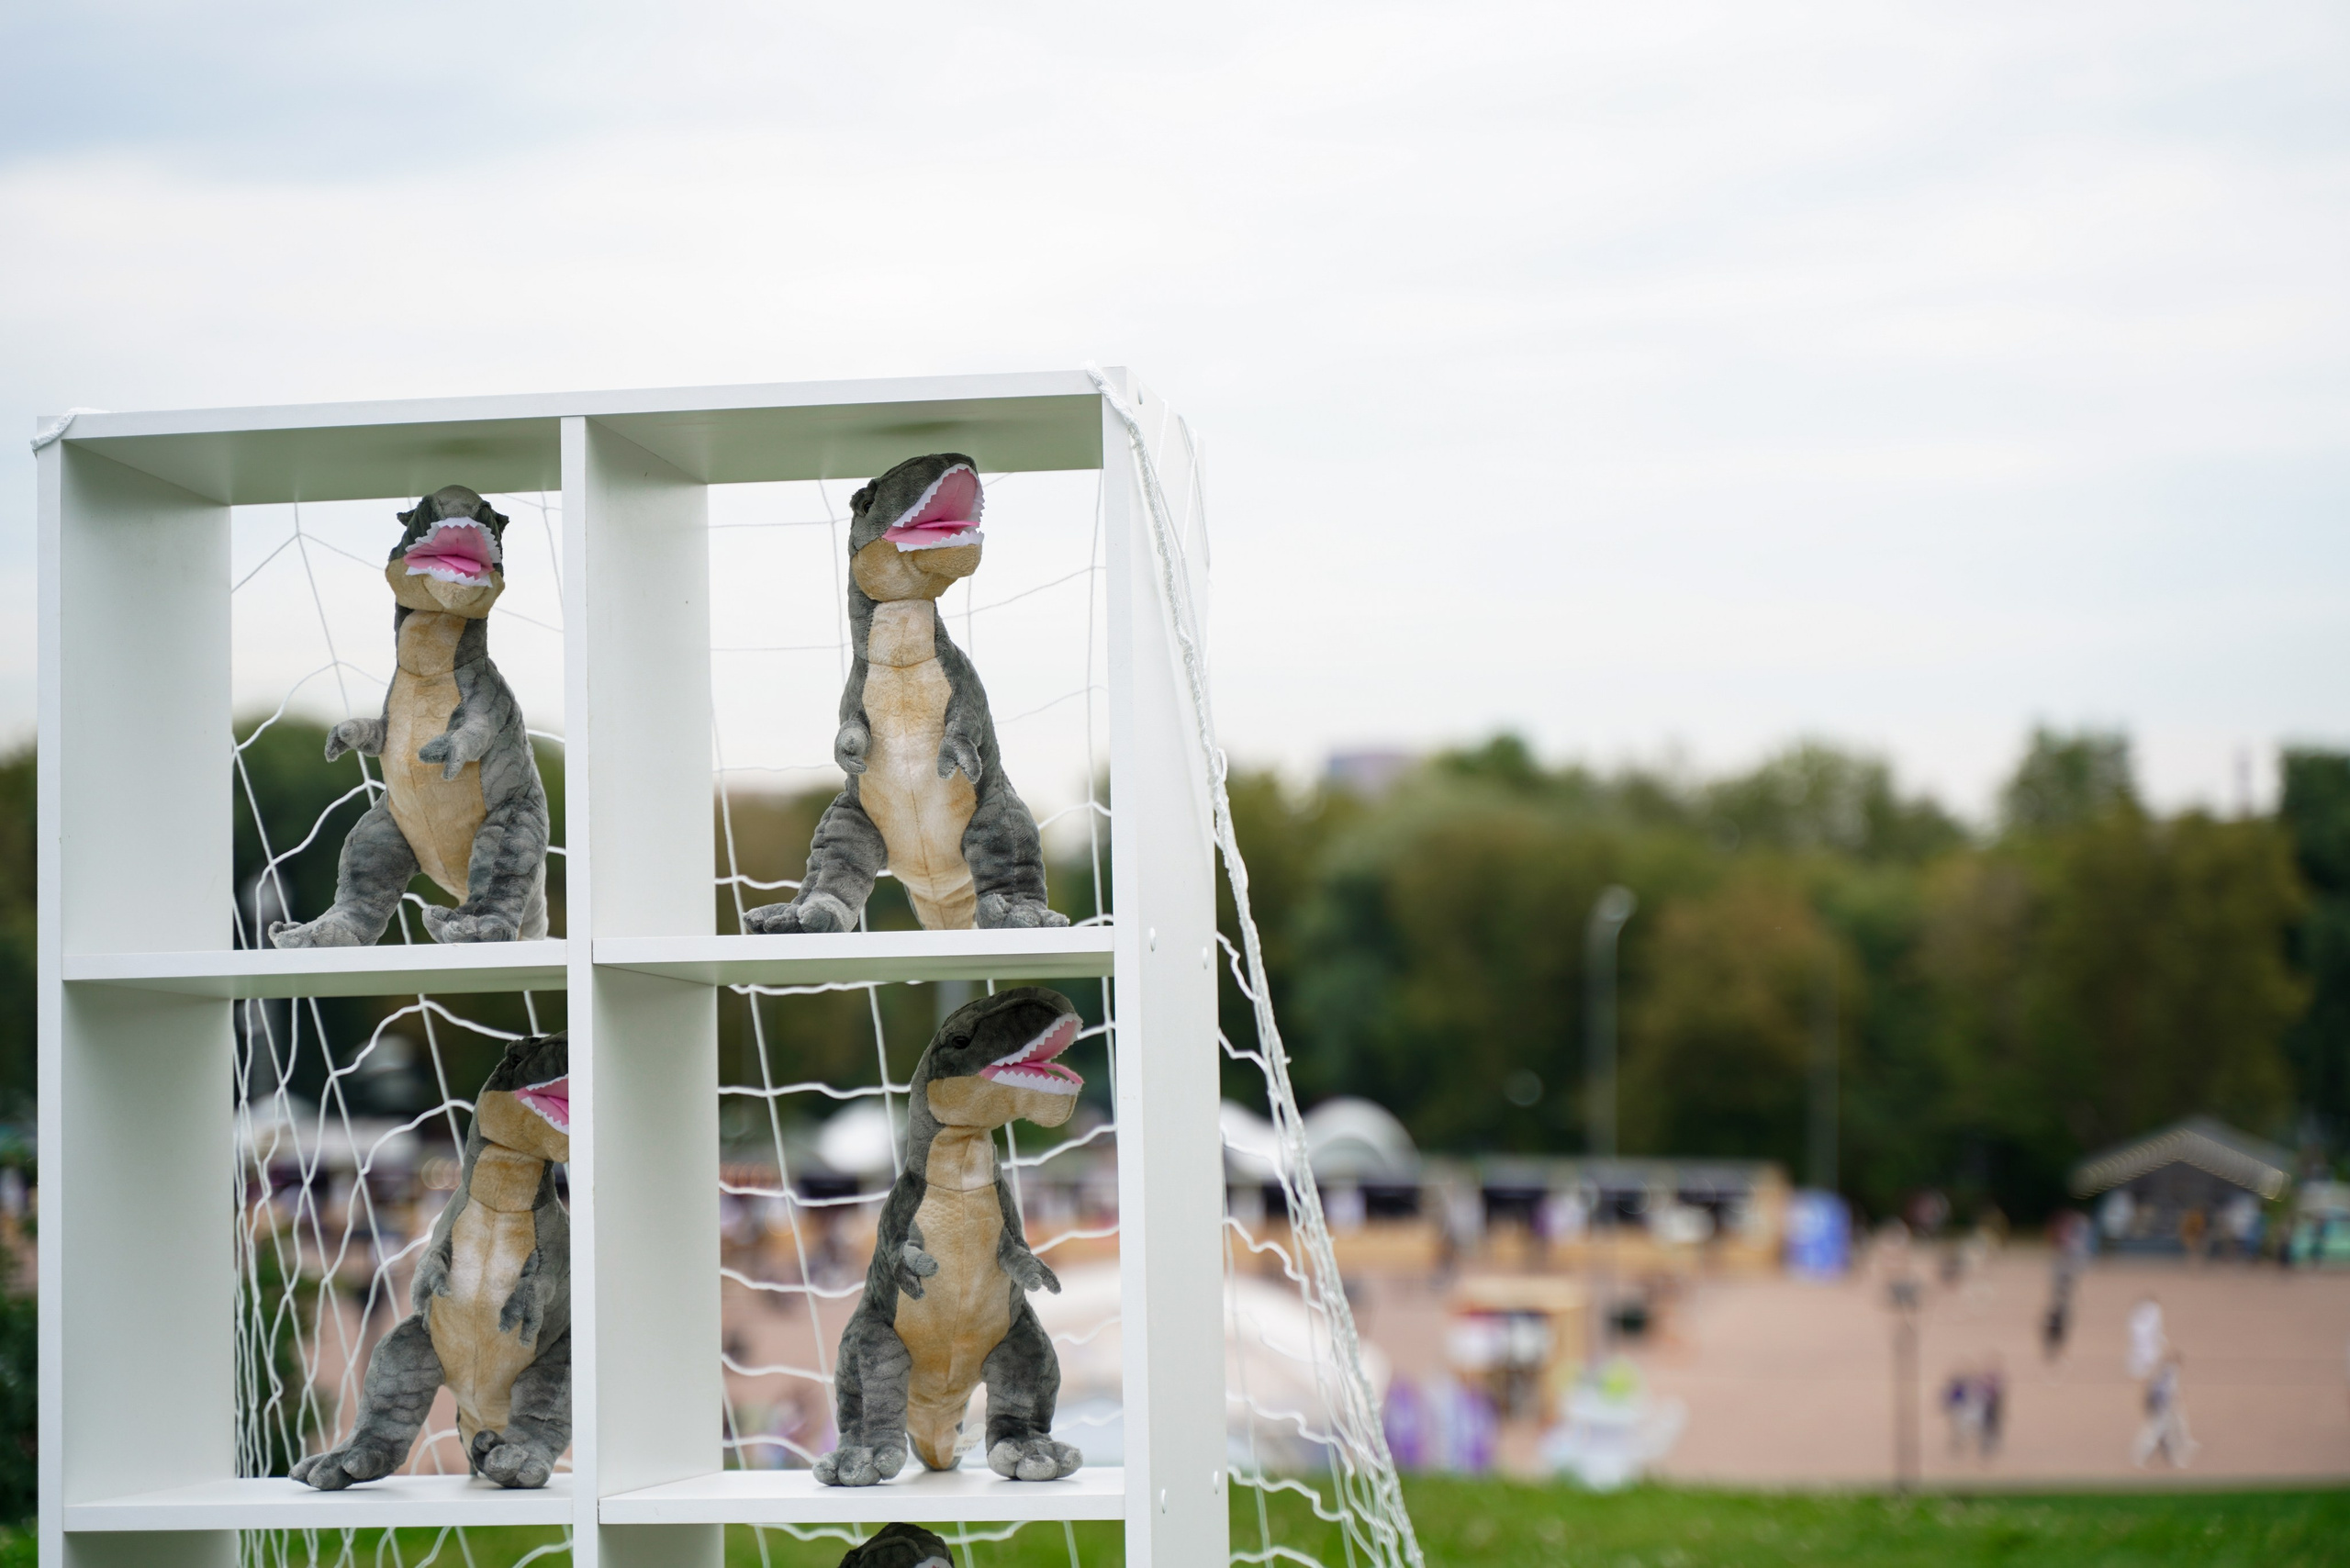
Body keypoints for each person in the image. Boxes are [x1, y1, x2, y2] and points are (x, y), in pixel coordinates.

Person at [2133, 1351, 2195, 1468]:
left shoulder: (2165, 1371)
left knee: (2176, 1430)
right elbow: (2164, 1392)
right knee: (2154, 1434)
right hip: (2163, 1409)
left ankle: (2178, 1456)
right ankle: (2140, 1458)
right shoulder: (2170, 1372)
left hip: (2166, 1408)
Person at [2126, 1294, 2165, 1380]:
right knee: (2148, 1352)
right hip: (2145, 1334)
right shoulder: (2154, 1309)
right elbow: (2157, 1325)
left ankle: (2143, 1371)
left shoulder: (2150, 1309)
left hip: (2143, 1334)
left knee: (2145, 1352)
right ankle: (2143, 1371)